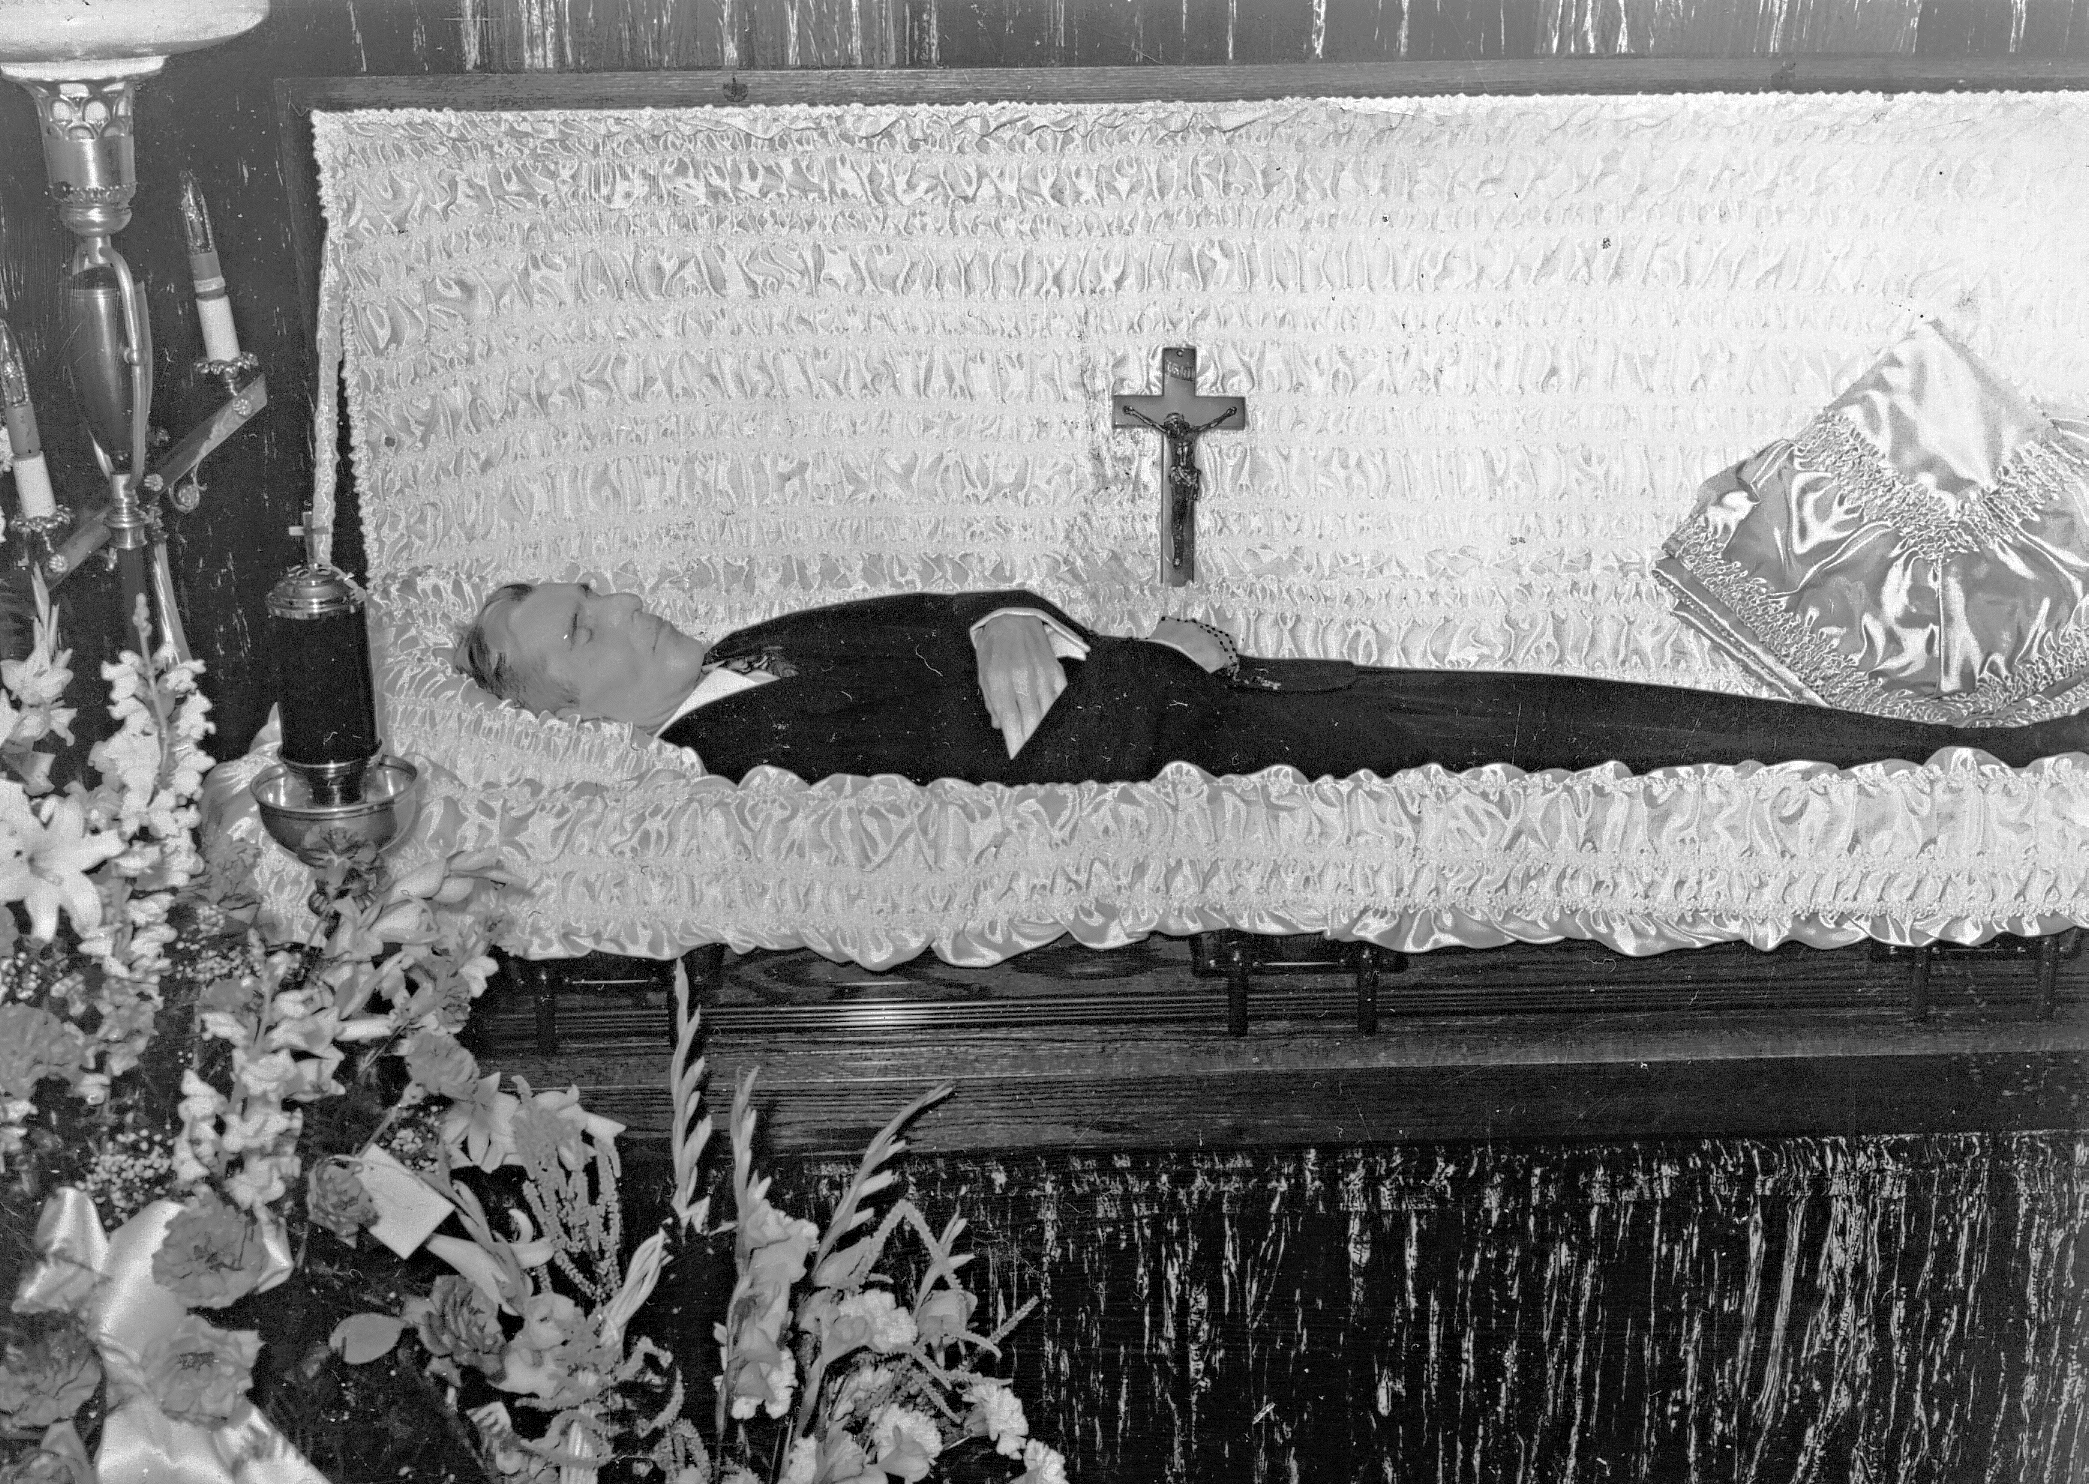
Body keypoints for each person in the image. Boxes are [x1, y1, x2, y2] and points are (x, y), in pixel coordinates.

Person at [457, 580, 2086, 786]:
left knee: (1578, 706)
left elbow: (971, 611)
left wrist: (1013, 609)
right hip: (1231, 752)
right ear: (562, 716)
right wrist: (1167, 661)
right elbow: (1038, 779)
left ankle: (1970, 741)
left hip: (1244, 697)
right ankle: (1990, 763)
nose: (610, 604)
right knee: (1598, 745)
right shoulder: (738, 762)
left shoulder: (766, 641)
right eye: (572, 634)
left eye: (584, 587)